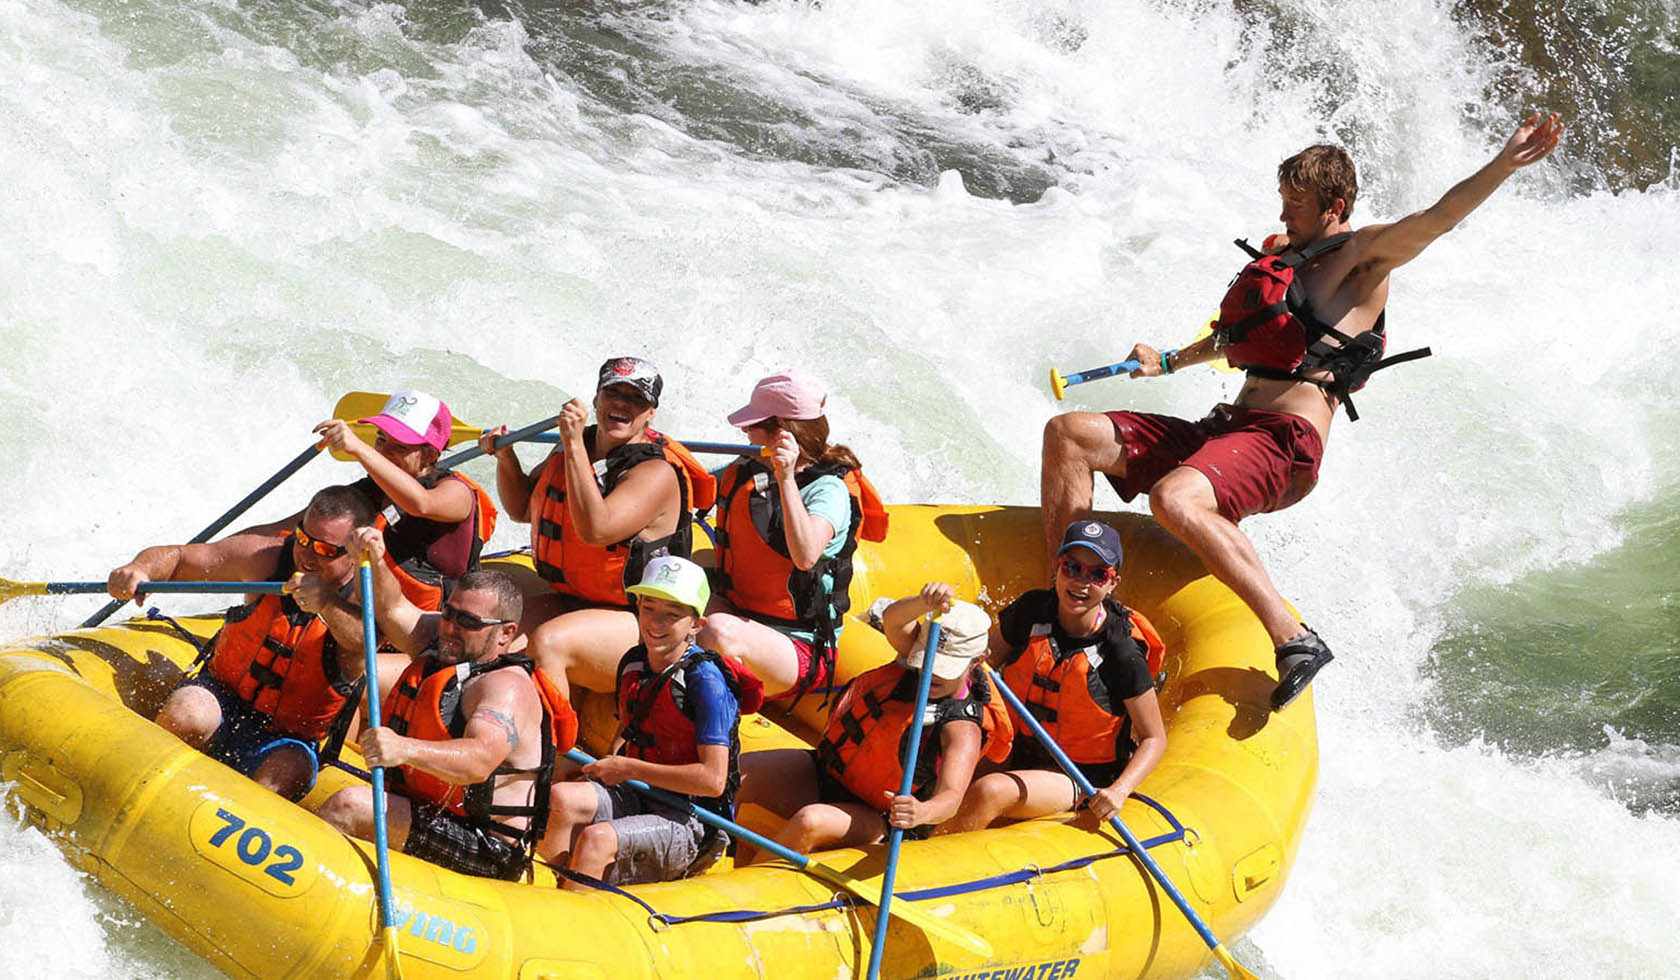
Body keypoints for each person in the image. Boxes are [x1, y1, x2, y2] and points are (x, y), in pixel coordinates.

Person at [1040, 113, 1564, 710]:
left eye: (1296, 203)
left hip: (1284, 442)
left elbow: (1436, 220)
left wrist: (1504, 163)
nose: (1284, 215)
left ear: (1334, 205)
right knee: (1069, 435)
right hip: (1229, 429)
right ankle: (1054, 609)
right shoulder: (1286, 260)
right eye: (1283, 201)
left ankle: (1294, 639)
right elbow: (1239, 337)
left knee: (1175, 499)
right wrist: (1168, 361)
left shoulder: (1363, 259)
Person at [319, 532, 577, 881]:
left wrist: (402, 748)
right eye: (449, 613)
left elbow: (479, 761)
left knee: (350, 806)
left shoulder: (505, 687)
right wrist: (377, 561)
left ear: (505, 633)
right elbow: (394, 607)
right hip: (434, 811)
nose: (452, 627)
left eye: (468, 622)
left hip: (486, 847)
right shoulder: (443, 642)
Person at [104, 485, 378, 800]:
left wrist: (327, 603)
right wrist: (140, 569)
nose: (308, 555)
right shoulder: (265, 558)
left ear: (356, 555)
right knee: (186, 714)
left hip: (287, 740)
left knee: (289, 773)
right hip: (220, 697)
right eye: (304, 539)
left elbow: (364, 642)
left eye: (326, 550)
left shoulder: (363, 598)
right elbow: (180, 557)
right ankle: (131, 793)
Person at [480, 357, 713, 699]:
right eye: (613, 393)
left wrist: (573, 445)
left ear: (650, 413)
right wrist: (506, 457)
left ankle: (548, 745)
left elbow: (596, 531)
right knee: (489, 631)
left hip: (642, 619)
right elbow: (520, 509)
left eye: (635, 398)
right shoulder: (577, 445)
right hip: (574, 597)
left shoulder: (655, 472)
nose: (622, 403)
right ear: (597, 400)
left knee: (549, 642)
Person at [734, 588, 1012, 859]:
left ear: (978, 661)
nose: (931, 673)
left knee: (812, 820)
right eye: (928, 661)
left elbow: (950, 798)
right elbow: (894, 619)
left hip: (880, 817)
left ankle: (751, 888)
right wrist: (923, 602)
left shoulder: (962, 728)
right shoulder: (911, 662)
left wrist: (920, 812)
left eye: (944, 667)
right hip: (829, 772)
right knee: (738, 772)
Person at [538, 556, 762, 888]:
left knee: (598, 839)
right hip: (638, 792)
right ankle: (547, 893)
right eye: (648, 608)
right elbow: (630, 727)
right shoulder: (634, 662)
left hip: (692, 819)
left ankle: (573, 917)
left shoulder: (706, 681)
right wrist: (608, 766)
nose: (655, 623)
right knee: (561, 799)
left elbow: (712, 780)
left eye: (672, 615)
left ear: (696, 625)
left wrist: (628, 769)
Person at [942, 521, 1167, 833]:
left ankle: (926, 857)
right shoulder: (1033, 610)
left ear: (1113, 582)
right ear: (1057, 569)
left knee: (992, 790)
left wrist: (1120, 790)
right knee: (947, 773)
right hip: (1014, 745)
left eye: (1097, 574)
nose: (1081, 582)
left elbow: (1154, 738)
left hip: (1079, 775)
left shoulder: (1122, 653)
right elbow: (981, 664)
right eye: (1072, 567)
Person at [698, 370, 888, 702]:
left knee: (716, 631)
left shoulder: (828, 490)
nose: (744, 430)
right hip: (744, 612)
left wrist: (785, 478)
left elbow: (806, 556)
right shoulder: (748, 466)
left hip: (798, 646)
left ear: (783, 433)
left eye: (753, 424)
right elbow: (693, 490)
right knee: (674, 590)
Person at [311, 389, 498, 611]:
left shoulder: (456, 491)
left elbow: (422, 504)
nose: (384, 452)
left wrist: (358, 448)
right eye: (381, 439)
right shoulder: (372, 487)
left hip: (438, 624)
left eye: (400, 446)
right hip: (384, 613)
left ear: (430, 455)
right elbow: (303, 525)